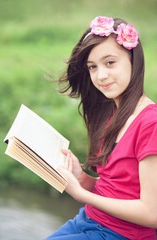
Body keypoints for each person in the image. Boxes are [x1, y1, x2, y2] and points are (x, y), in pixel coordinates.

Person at [45, 16, 157, 240]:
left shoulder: (150, 123)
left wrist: (80, 194)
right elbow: (120, 188)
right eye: (92, 67)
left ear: (134, 60)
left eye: (110, 63)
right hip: (88, 220)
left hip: (120, 234)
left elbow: (151, 213)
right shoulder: (113, 115)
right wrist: (82, 179)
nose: (100, 76)